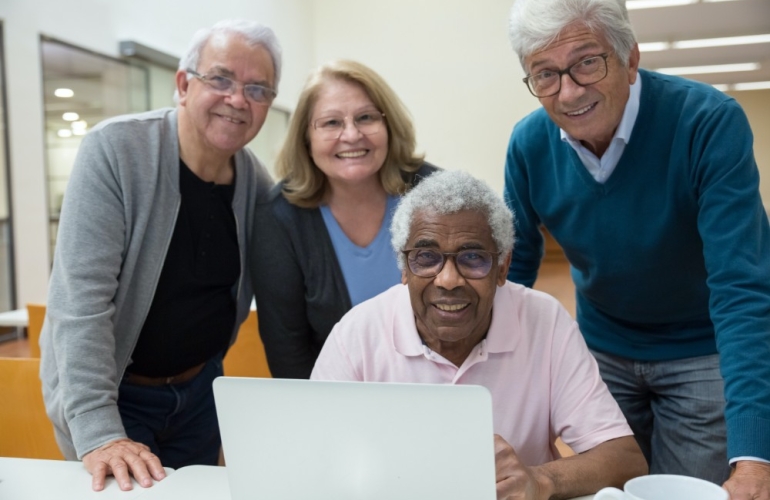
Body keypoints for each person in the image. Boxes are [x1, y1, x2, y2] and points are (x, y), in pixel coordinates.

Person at [504, 0, 770, 497]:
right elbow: (513, 270)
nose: (569, 91)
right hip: (602, 346)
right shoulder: (528, 144)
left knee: (685, 490)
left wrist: (754, 457)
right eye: (544, 74)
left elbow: (741, 286)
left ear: (629, 59)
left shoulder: (708, 122)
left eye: (587, 62)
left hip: (702, 348)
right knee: (603, 488)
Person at [39, 19, 279, 491]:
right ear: (184, 84)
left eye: (257, 89)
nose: (238, 99)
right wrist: (99, 430)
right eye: (221, 79)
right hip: (114, 396)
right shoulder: (115, 151)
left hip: (200, 393)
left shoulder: (256, 184)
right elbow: (79, 303)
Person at [312, 170, 647, 500]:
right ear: (403, 268)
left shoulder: (545, 321)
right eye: (426, 257)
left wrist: (539, 479)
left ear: (502, 267)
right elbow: (313, 461)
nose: (448, 280)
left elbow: (624, 460)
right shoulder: (356, 334)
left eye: (472, 258)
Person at [250, 59, 437, 379]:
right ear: (306, 139)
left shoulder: (434, 194)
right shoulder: (279, 218)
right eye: (331, 123)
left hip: (442, 392)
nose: (351, 135)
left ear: (388, 126)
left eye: (366, 118)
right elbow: (287, 352)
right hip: (335, 406)